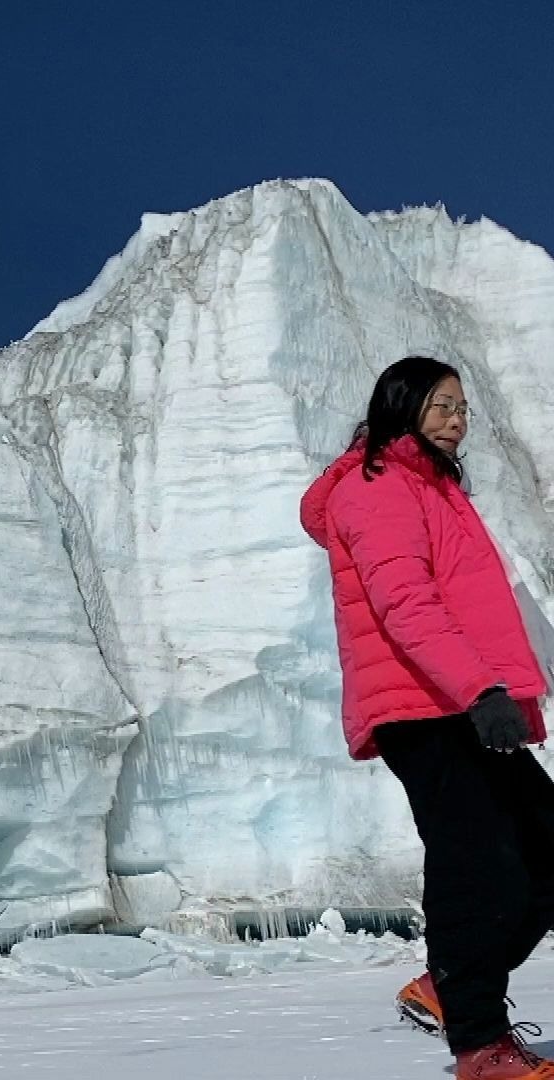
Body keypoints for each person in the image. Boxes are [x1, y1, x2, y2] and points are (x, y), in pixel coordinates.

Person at [301, 355, 554, 1079]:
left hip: (461, 699)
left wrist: (494, 691)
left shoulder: (431, 488)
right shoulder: (377, 483)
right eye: (442, 404)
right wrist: (480, 691)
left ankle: (449, 987)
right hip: (426, 706)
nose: (456, 419)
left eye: (463, 408)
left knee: (544, 850)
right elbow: (405, 602)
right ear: (401, 405)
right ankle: (480, 1045)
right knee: (473, 867)